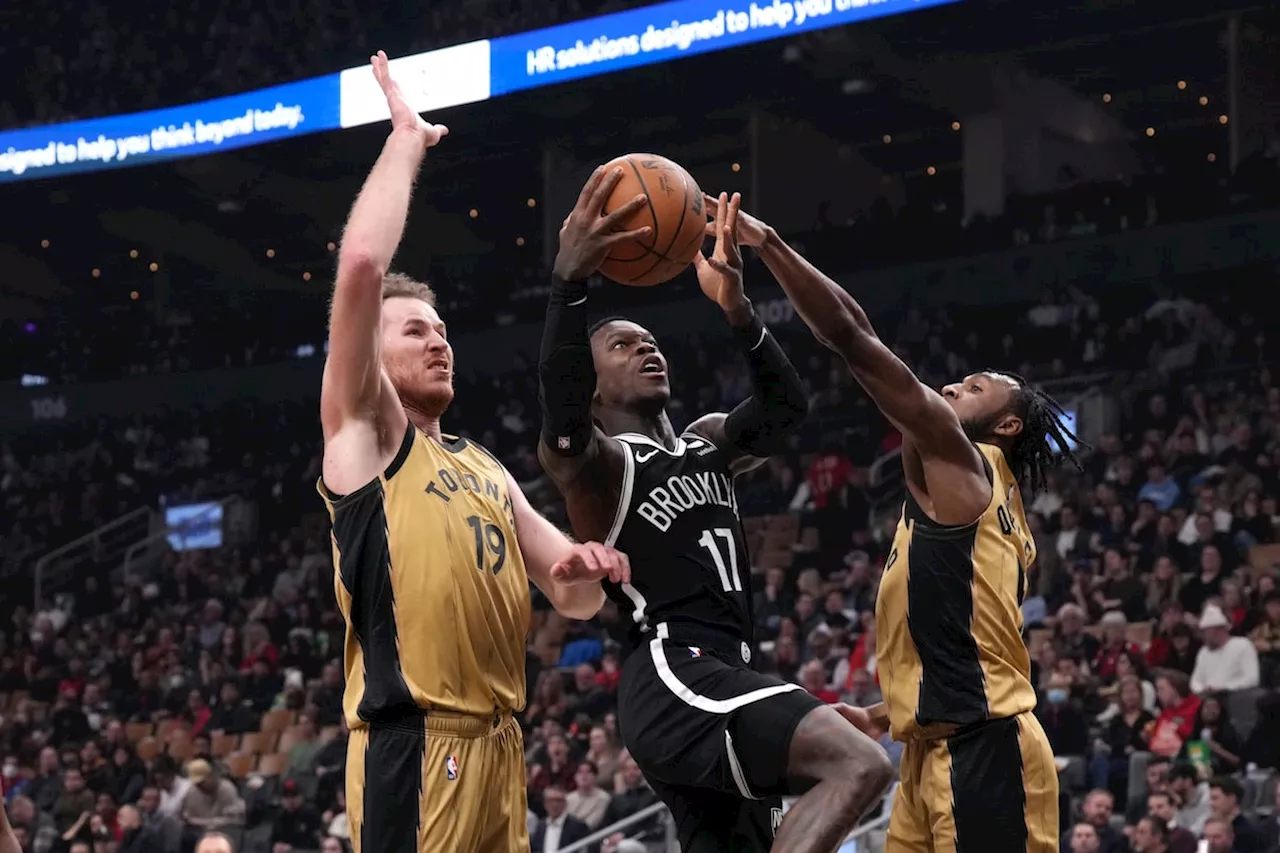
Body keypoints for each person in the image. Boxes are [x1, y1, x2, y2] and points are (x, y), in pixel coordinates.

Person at [317, 52, 630, 853]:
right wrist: (406, 140)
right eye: (416, 330)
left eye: (445, 332)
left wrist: (583, 569)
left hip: (501, 749)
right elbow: (360, 267)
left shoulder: (485, 465)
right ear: (371, 358)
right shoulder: (365, 431)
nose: (439, 342)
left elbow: (573, 599)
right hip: (415, 745)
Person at [538, 178, 892, 852]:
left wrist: (739, 312)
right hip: (674, 671)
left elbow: (786, 409)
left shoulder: (706, 440)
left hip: (727, 669)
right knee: (860, 763)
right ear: (591, 384)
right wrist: (568, 283)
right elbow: (557, 402)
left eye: (650, 340)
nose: (647, 348)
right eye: (621, 345)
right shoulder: (600, 464)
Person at [717, 196, 1075, 852]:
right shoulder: (981, 502)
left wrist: (769, 245)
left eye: (975, 387)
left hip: (985, 754)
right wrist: (887, 712)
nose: (952, 387)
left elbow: (852, 335)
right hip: (927, 752)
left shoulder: (964, 464)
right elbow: (975, 642)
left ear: (1007, 425)